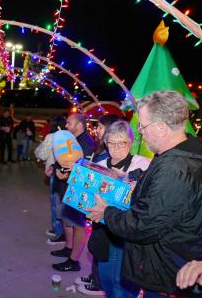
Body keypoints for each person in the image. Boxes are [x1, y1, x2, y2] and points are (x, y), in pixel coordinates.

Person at [87, 90, 202, 297]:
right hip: (174, 266)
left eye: (142, 125)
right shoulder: (179, 155)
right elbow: (165, 205)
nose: (140, 131)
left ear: (160, 127)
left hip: (171, 275)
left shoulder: (175, 168)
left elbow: (142, 225)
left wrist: (106, 212)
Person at [80, 121, 151, 297]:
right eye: (111, 143)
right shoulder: (100, 165)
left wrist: (138, 185)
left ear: (131, 142)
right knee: (106, 282)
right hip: (104, 234)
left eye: (122, 143)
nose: (116, 148)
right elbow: (86, 195)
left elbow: (152, 202)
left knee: (123, 287)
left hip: (128, 236)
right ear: (106, 143)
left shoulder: (143, 165)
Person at [76, 113, 120, 294]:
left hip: (105, 207)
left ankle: (98, 281)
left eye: (101, 127)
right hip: (96, 205)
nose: (97, 129)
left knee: (102, 246)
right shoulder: (100, 149)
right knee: (96, 243)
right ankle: (95, 276)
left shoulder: (107, 153)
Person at [52, 113, 95, 272]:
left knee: (78, 225)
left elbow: (86, 169)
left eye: (70, 123)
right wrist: (58, 169)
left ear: (79, 124)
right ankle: (68, 247)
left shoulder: (87, 144)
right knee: (66, 219)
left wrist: (69, 174)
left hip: (78, 191)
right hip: (66, 188)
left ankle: (73, 260)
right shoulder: (70, 139)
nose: (67, 126)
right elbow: (62, 159)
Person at [34, 115, 67, 245]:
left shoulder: (52, 137)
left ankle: (59, 232)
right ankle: (59, 229)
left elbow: (41, 153)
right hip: (66, 172)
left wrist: (36, 152)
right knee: (61, 202)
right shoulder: (68, 137)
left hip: (55, 171)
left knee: (55, 203)